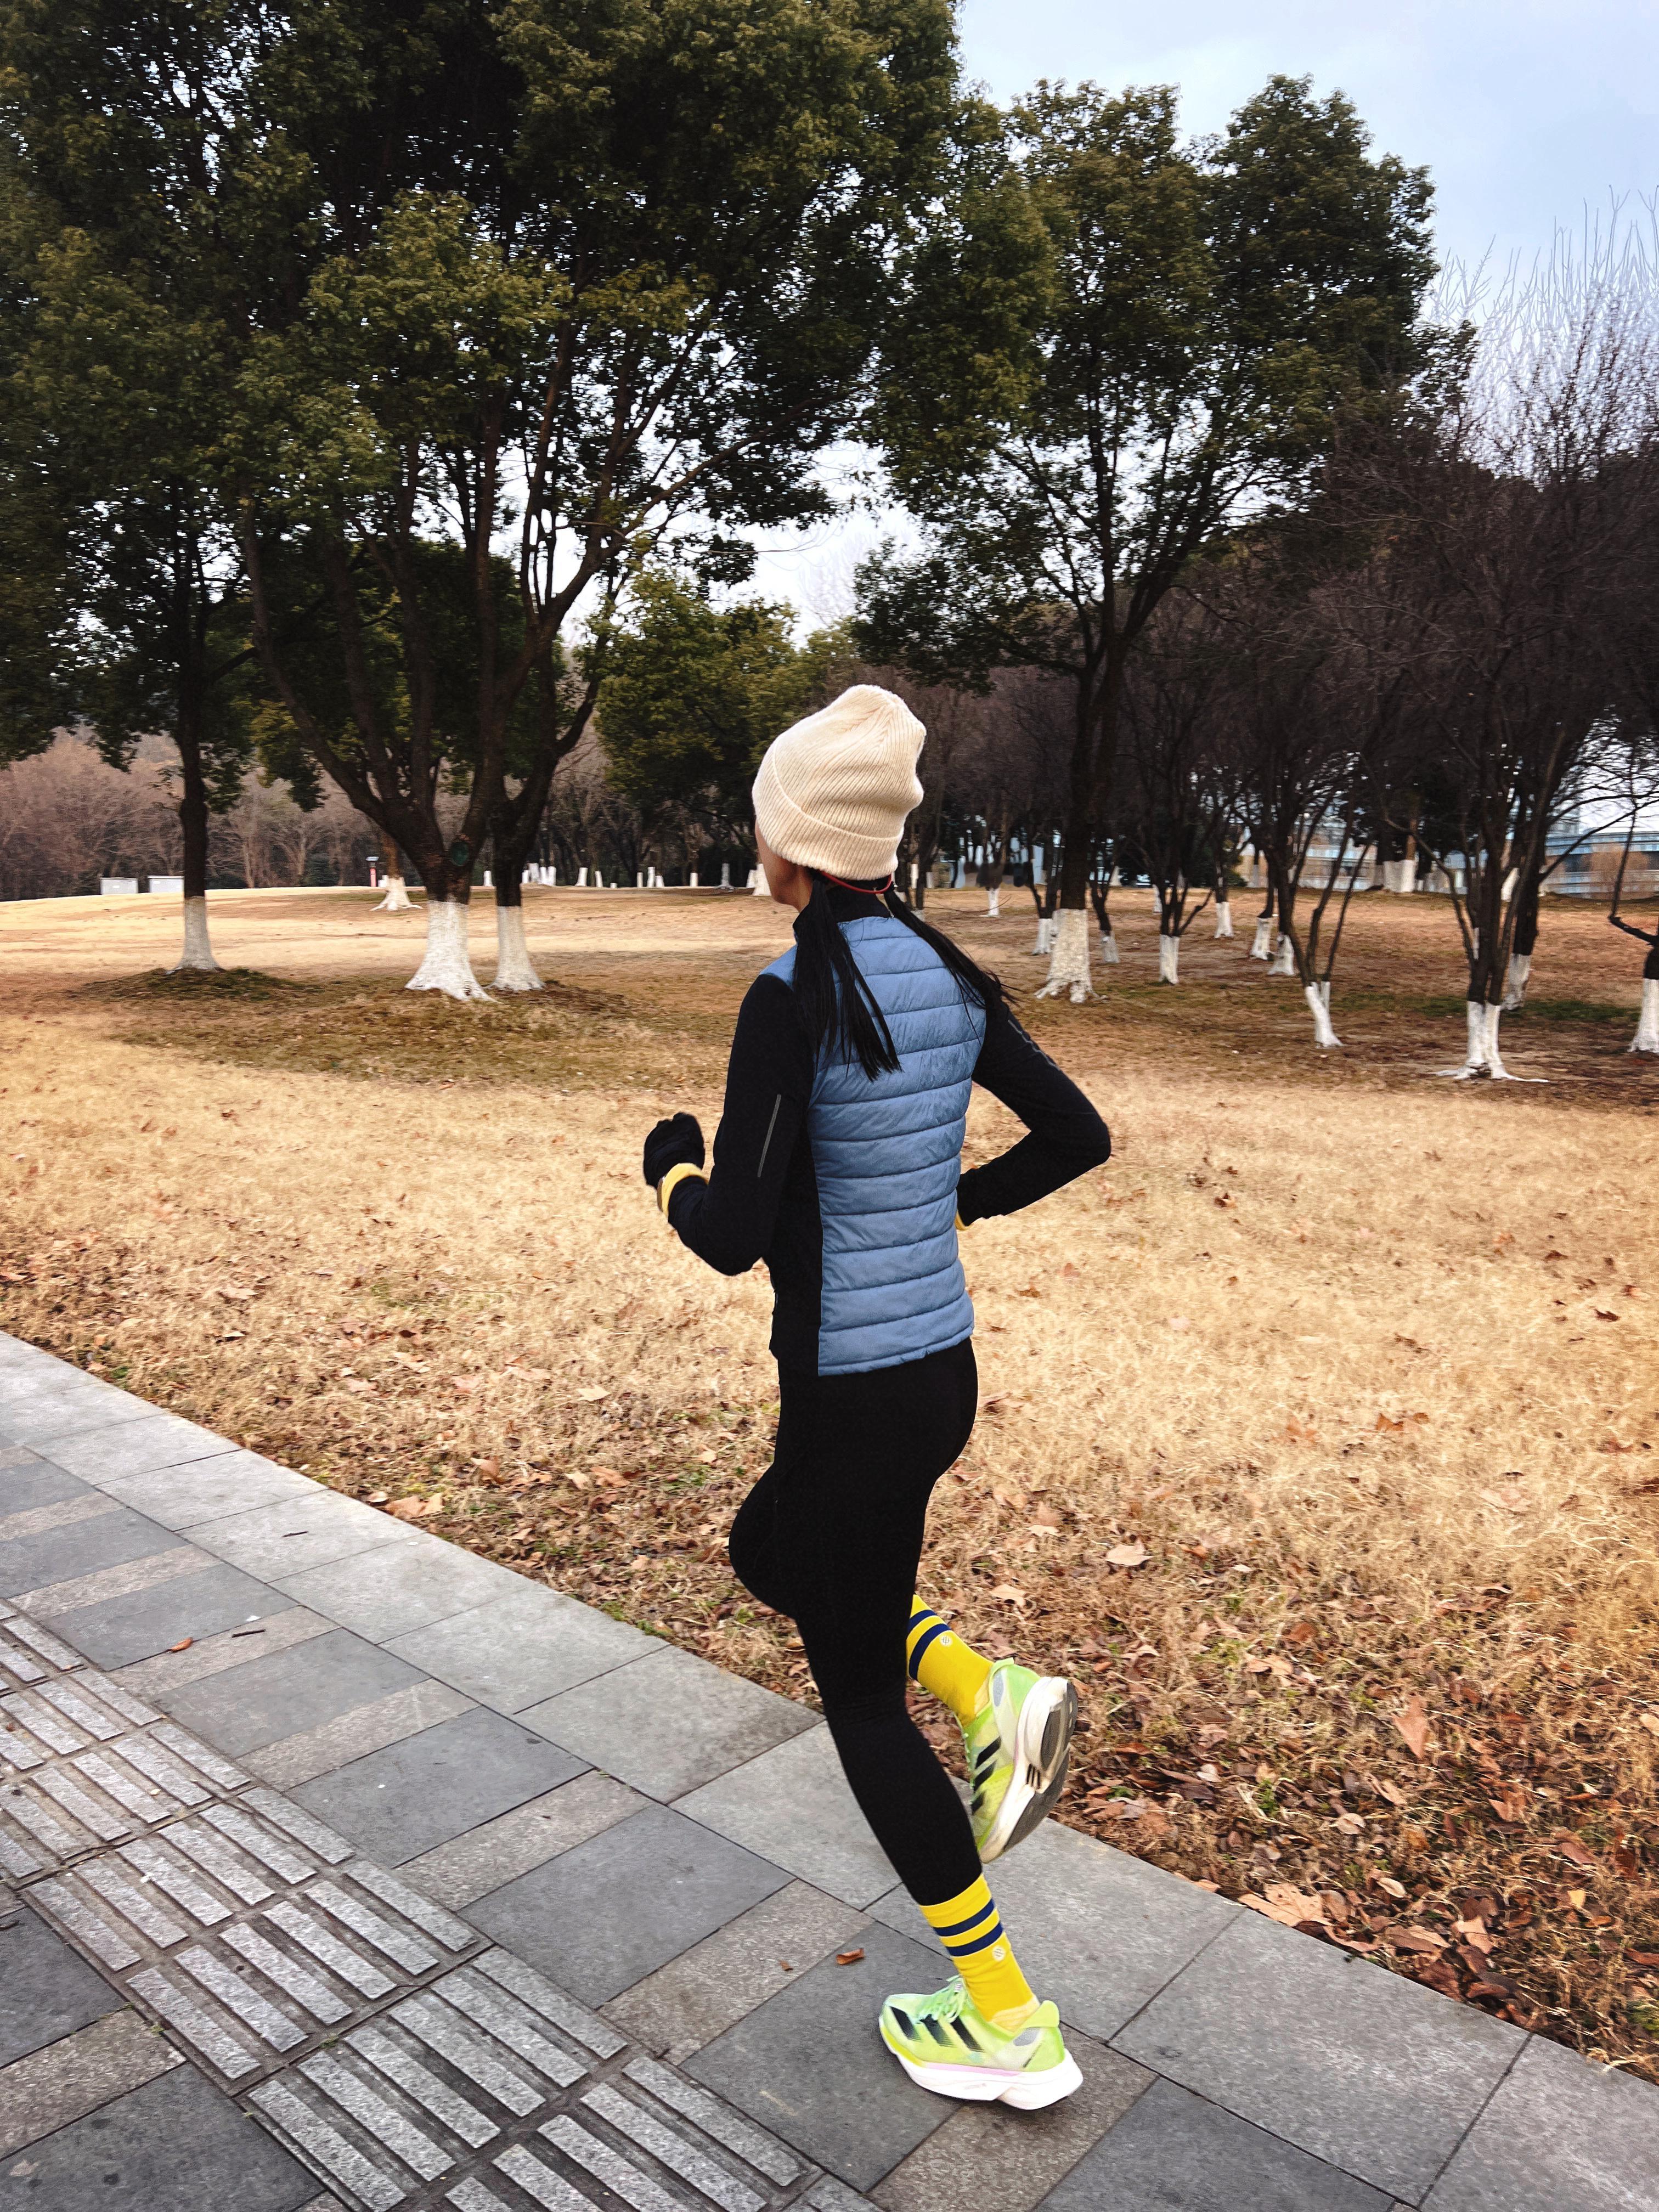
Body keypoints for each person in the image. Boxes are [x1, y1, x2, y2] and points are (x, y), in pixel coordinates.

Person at [642, 685, 1111, 2109]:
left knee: (852, 1697)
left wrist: (667, 1160)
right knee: (765, 1553)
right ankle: (982, 1684)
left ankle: (1009, 2022)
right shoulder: (945, 978)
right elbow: (1078, 1137)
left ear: (795, 846)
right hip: (938, 1379)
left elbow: (733, 1229)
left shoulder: (795, 997)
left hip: (852, 1397)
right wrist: (948, 1205)